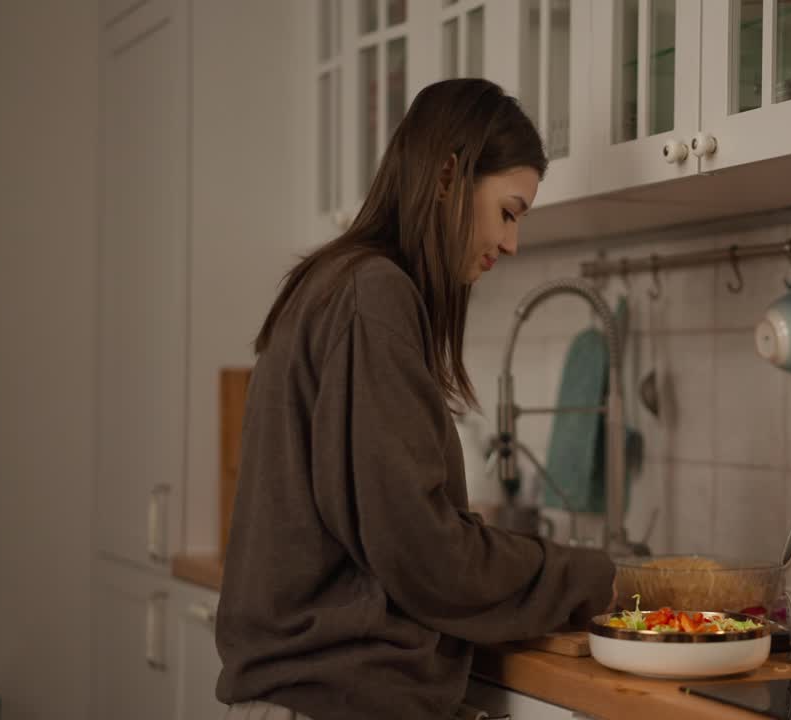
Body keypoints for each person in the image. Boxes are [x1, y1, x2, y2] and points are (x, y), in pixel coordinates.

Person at [215, 79, 616, 720]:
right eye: (509, 212)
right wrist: (598, 578)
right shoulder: (373, 293)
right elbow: (425, 553)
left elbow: (399, 537)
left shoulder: (340, 285)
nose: (512, 243)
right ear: (448, 176)